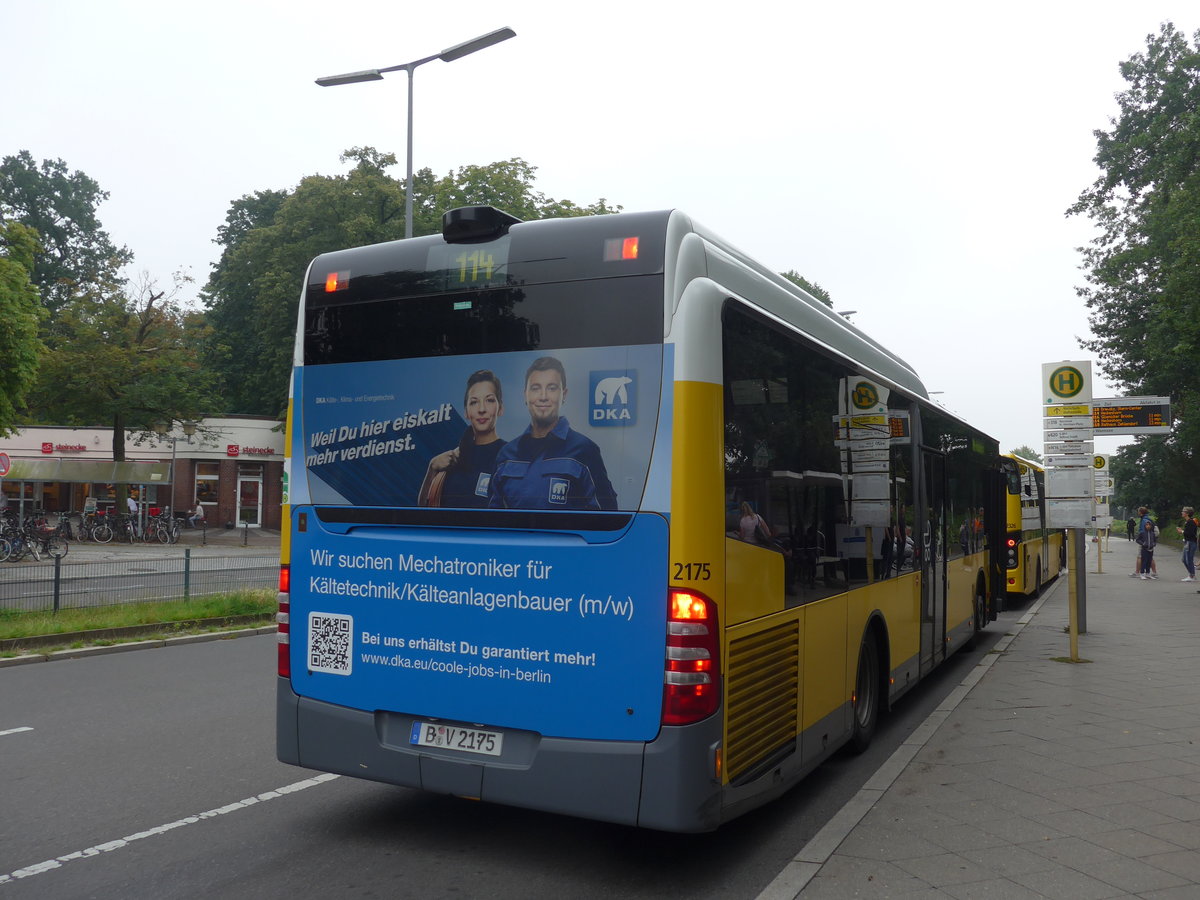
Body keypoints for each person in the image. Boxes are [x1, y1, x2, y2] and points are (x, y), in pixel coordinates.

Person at [488, 356, 617, 510]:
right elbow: (492, 519)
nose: (543, 397)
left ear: (564, 394)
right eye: (535, 388)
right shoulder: (506, 455)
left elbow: (606, 519)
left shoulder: (585, 450)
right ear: (526, 395)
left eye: (552, 388)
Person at [418, 370, 507, 508]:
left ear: (500, 408)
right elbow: (423, 511)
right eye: (474, 402)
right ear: (466, 412)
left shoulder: (510, 456)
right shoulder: (452, 458)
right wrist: (432, 469)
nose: (481, 409)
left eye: (489, 400)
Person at [1177, 506, 1198, 583]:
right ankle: (1191, 574)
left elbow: (1191, 534)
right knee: (1184, 560)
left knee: (1189, 559)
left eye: (1183, 511)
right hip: (1187, 542)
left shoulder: (1191, 522)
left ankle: (1192, 575)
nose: (1182, 512)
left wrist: (1182, 531)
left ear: (1187, 513)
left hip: (1191, 543)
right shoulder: (1188, 522)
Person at [1136, 511, 1158, 579]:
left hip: (1151, 549)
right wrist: (1143, 543)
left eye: (1149, 525)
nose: (1148, 526)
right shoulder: (1142, 533)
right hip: (1144, 549)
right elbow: (1137, 540)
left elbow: (1155, 540)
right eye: (1146, 525)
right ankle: (1142, 573)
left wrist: (1153, 544)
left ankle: (1148, 573)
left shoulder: (1152, 533)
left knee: (1149, 561)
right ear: (1145, 526)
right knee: (1144, 561)